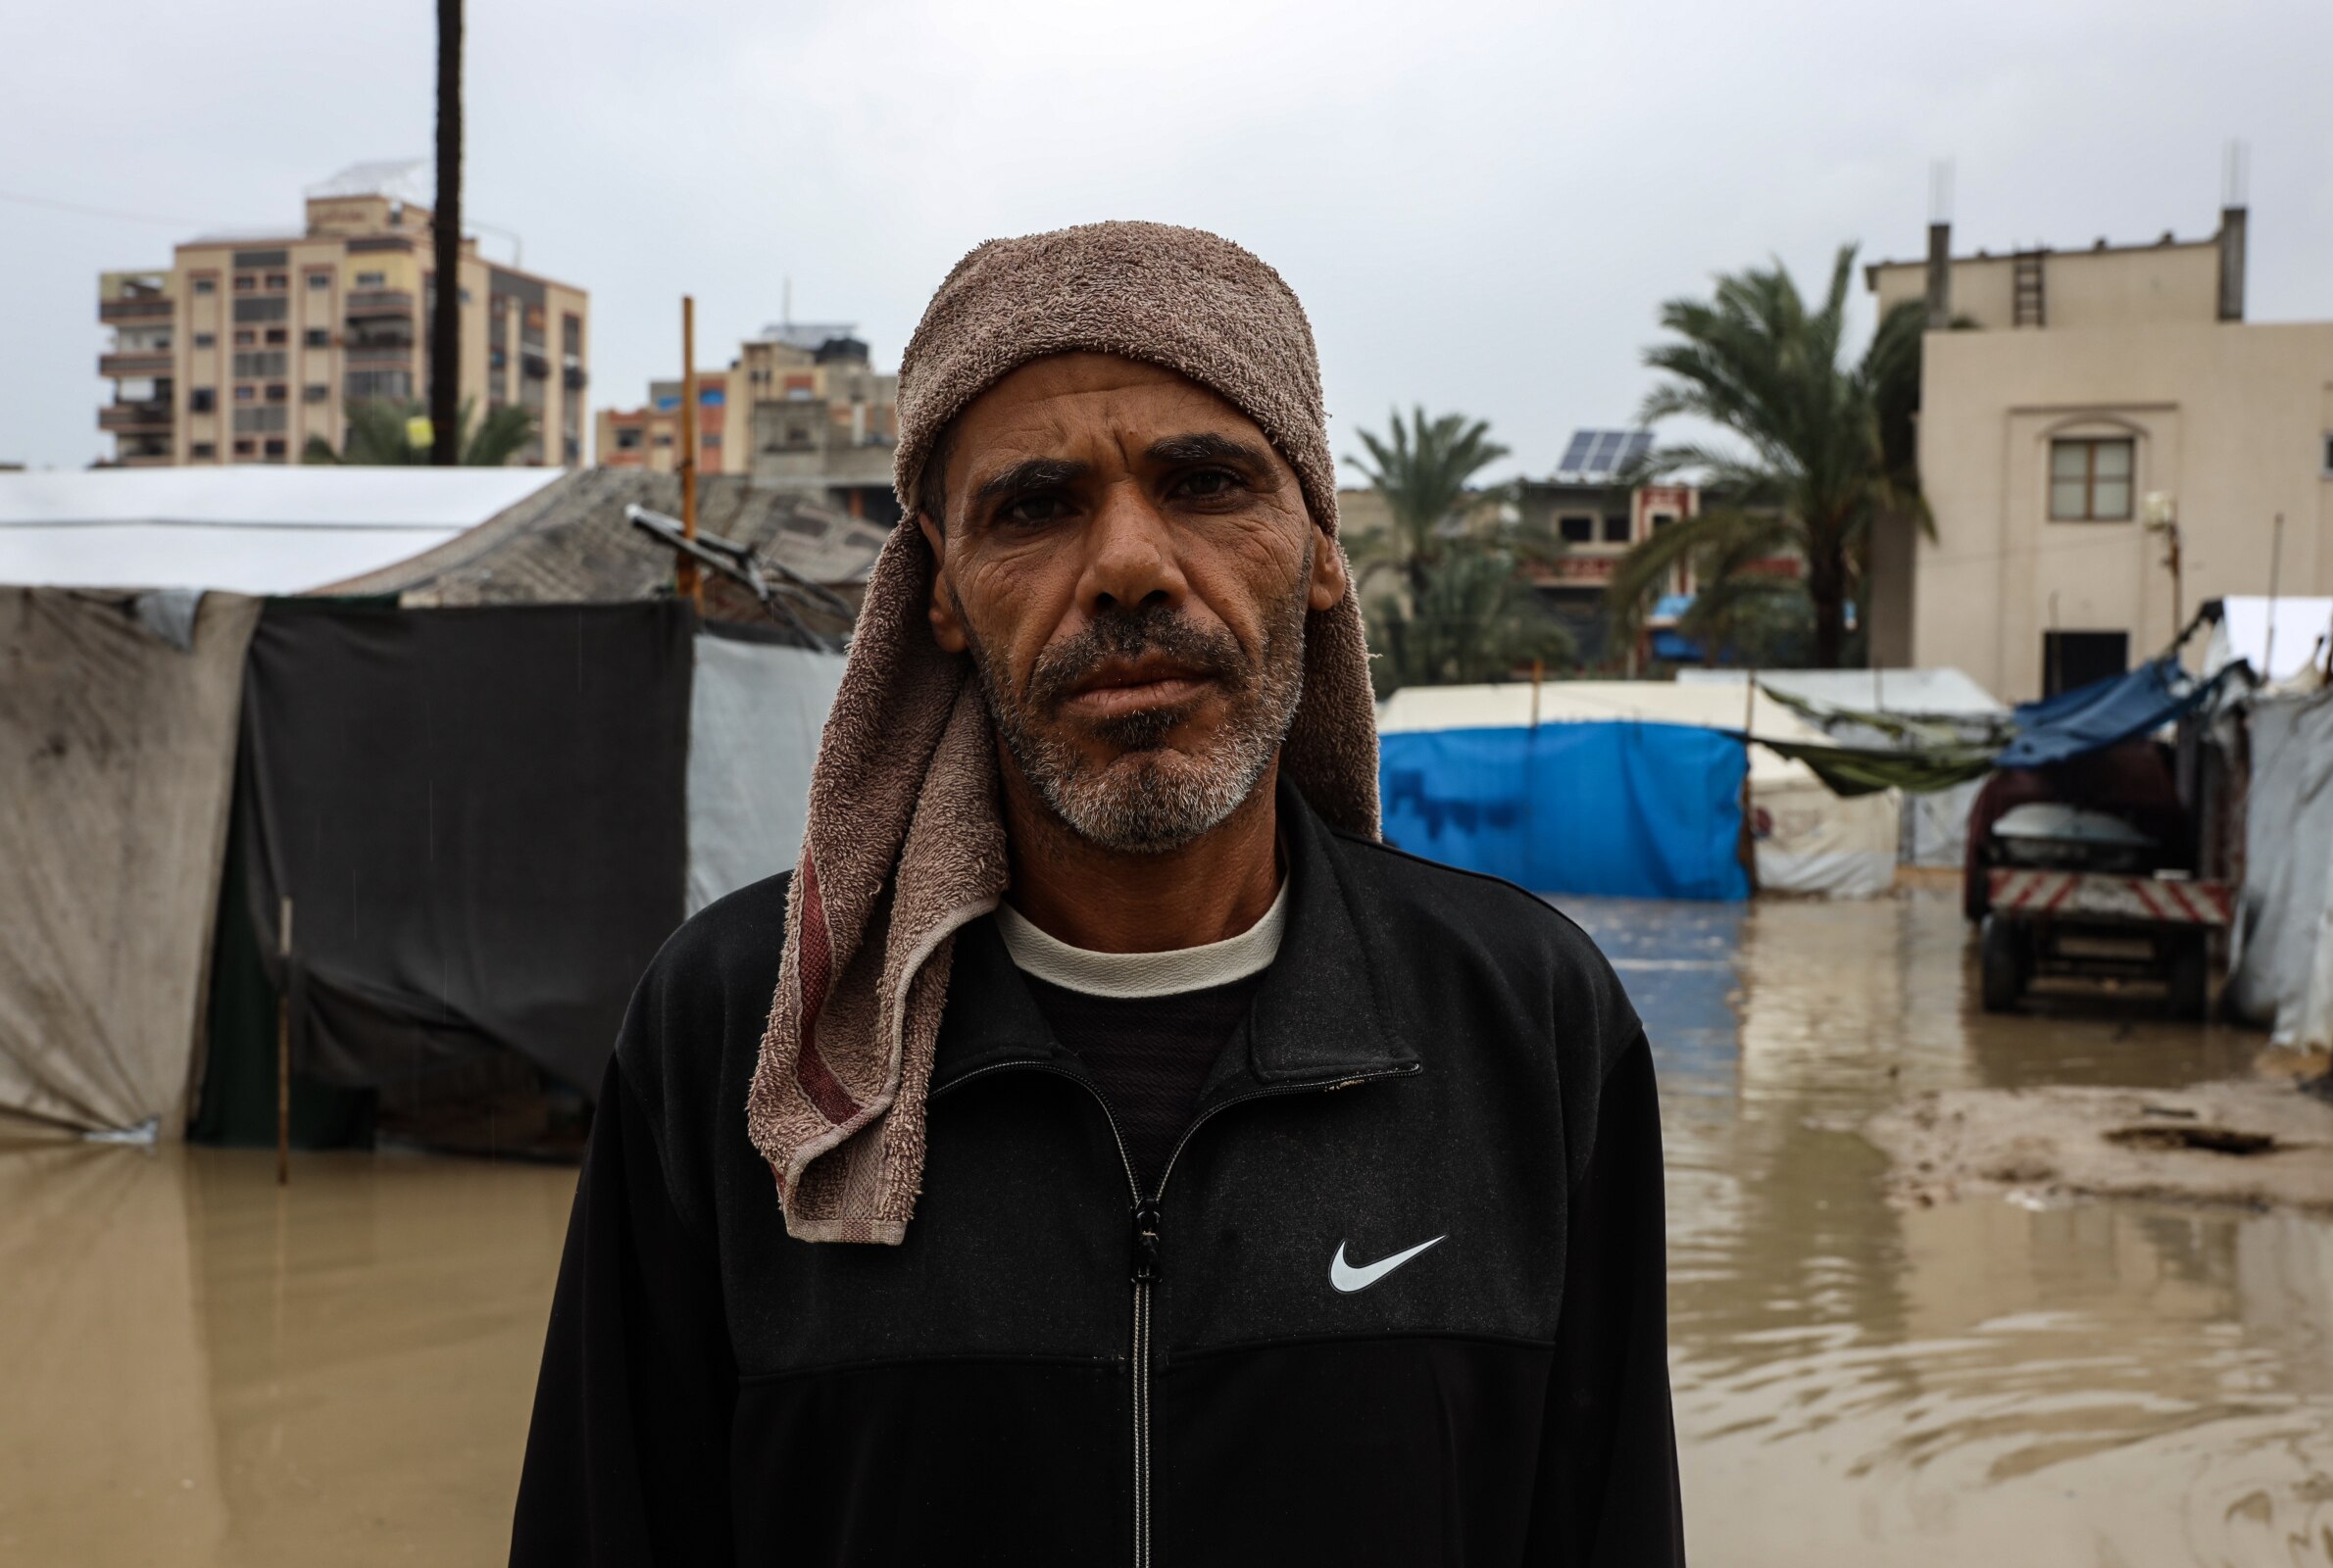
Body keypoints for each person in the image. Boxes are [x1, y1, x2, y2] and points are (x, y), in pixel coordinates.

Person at [511, 220, 1682, 1566]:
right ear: (942, 591)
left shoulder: (1524, 1027)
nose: (1129, 564)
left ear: (1316, 551)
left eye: (1204, 482)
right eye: (1036, 506)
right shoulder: (742, 1033)